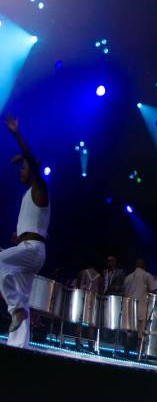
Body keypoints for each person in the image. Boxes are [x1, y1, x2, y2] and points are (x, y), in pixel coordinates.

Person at [0, 115, 50, 348]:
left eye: (24, 169)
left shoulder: (40, 188)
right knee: (22, 295)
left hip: (33, 250)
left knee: (0, 263)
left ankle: (15, 309)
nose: (21, 171)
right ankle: (18, 347)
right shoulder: (27, 195)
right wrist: (19, 237)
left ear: (32, 171)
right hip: (27, 248)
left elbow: (33, 161)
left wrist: (17, 134)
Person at [124, 258, 157, 335]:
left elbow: (124, 292)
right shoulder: (147, 275)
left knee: (128, 334)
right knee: (140, 334)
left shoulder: (128, 277)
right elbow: (154, 291)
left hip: (129, 309)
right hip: (142, 308)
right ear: (144, 266)